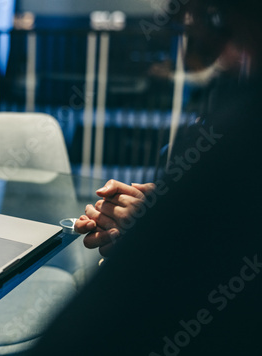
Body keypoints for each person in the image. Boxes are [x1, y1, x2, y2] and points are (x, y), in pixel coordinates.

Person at [30, 0, 262, 353]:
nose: (227, 58)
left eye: (216, 24)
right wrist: (157, 217)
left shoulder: (239, 137)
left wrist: (161, 230)